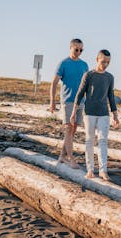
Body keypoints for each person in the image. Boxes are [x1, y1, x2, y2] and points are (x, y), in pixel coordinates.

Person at [71, 49, 119, 181]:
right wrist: (74, 112)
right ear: (97, 59)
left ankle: (103, 171)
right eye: (103, 61)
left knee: (103, 140)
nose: (105, 64)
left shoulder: (110, 77)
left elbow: (111, 96)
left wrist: (115, 115)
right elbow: (80, 94)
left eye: (108, 62)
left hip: (104, 113)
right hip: (89, 113)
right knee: (89, 140)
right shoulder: (88, 75)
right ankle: (90, 169)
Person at [50, 38, 89, 169]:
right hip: (67, 101)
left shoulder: (84, 65)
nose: (79, 52)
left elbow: (86, 86)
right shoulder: (63, 63)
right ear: (70, 48)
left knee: (73, 131)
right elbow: (54, 83)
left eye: (81, 50)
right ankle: (71, 158)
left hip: (80, 102)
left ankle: (62, 156)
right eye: (76, 49)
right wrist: (52, 102)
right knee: (68, 129)